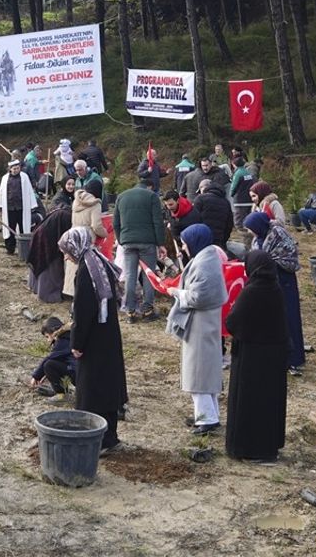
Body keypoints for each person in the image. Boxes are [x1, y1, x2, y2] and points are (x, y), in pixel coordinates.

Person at [59, 227, 127, 454]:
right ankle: (110, 437)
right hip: (108, 335)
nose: (66, 257)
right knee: (107, 388)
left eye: (67, 252)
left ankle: (95, 440)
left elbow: (83, 311)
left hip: (95, 340)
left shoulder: (87, 271)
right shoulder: (97, 260)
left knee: (92, 390)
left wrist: (76, 344)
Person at [224, 249, 288, 461]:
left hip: (252, 358)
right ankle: (267, 448)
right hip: (274, 356)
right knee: (269, 404)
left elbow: (233, 321)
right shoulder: (275, 289)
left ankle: (249, 449)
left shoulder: (252, 291)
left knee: (250, 404)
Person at [167, 224, 228, 435]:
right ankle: (209, 414)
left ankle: (207, 419)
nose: (183, 248)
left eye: (184, 243)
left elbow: (197, 297)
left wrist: (177, 292)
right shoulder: (207, 258)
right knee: (205, 374)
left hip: (201, 327)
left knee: (198, 375)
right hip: (204, 325)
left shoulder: (204, 265)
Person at [243, 212, 305, 376]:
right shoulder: (258, 238)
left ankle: (294, 358)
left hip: (284, 281)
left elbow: (288, 257)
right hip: (267, 282)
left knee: (289, 318)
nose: (250, 232)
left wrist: (268, 263)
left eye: (251, 229)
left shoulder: (279, 235)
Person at [112, 178, 166, 323]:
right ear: (149, 186)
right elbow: (158, 221)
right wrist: (161, 243)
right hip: (147, 242)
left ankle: (130, 312)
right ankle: (147, 310)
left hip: (127, 242)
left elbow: (115, 222)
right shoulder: (152, 196)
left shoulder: (121, 196)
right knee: (148, 275)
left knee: (130, 275)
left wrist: (121, 240)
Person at [65, 184, 107, 298]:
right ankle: (83, 292)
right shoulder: (96, 204)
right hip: (86, 236)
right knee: (85, 265)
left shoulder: (76, 200)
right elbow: (96, 225)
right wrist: (105, 233)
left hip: (74, 233)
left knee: (73, 262)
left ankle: (71, 290)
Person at [28, 206, 73, 304]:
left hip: (41, 235)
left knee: (40, 261)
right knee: (50, 266)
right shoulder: (68, 216)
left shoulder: (64, 212)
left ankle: (36, 287)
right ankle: (49, 294)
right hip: (47, 239)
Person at [0, 160, 39, 255]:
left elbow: (29, 191)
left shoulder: (24, 177)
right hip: (10, 208)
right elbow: (1, 192)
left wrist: (33, 205)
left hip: (21, 208)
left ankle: (24, 248)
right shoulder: (5, 178)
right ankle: (10, 248)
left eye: (17, 168)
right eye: (14, 168)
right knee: (9, 228)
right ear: (10, 169)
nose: (16, 170)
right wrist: (0, 205)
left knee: (23, 227)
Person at [30, 317, 75, 397]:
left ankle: (61, 395)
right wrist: (46, 375)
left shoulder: (63, 340)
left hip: (78, 374)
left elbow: (50, 358)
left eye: (47, 336)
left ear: (53, 332)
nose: (48, 340)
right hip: (81, 371)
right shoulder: (70, 335)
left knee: (48, 365)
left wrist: (36, 376)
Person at [193, 179, 234, 250]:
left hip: (202, 240)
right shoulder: (226, 202)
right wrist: (223, 241)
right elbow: (229, 224)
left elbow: (193, 221)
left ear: (203, 188)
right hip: (219, 240)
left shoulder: (200, 199)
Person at [230, 158, 257, 228]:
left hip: (240, 201)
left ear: (234, 164)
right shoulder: (248, 172)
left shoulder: (238, 173)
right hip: (249, 200)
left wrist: (231, 194)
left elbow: (234, 186)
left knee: (239, 223)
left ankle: (245, 237)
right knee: (248, 221)